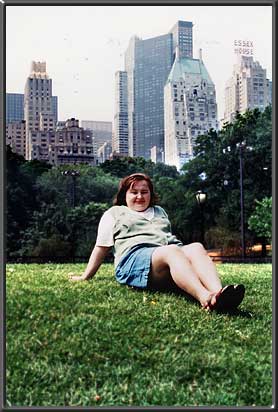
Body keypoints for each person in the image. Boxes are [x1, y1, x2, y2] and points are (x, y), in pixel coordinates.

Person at [69, 173, 245, 311]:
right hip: (134, 260)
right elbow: (101, 248)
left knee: (196, 247)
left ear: (151, 194)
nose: (140, 196)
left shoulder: (159, 211)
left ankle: (219, 294)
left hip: (166, 259)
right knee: (172, 251)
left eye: (144, 192)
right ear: (125, 195)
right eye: (134, 192)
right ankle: (205, 298)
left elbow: (170, 241)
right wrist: (85, 276)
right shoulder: (114, 213)